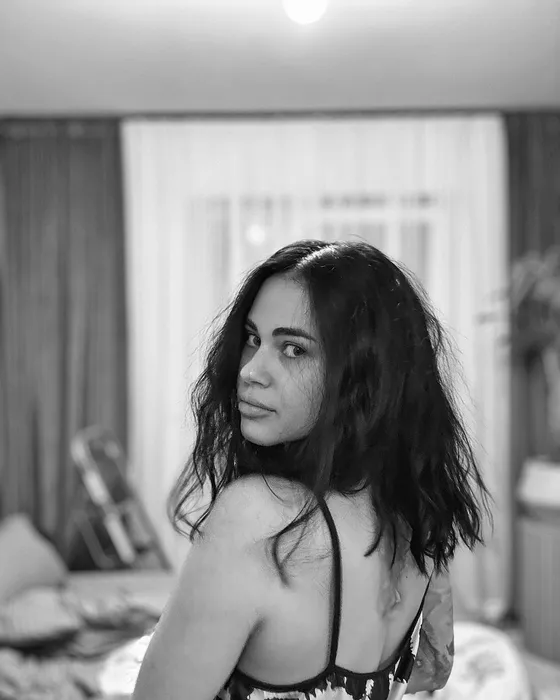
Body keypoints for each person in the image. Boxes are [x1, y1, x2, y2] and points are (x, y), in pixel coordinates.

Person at [133, 239, 490, 700]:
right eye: (253, 339)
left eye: (293, 349)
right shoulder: (417, 517)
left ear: (364, 376)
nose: (250, 371)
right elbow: (427, 673)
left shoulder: (257, 518)